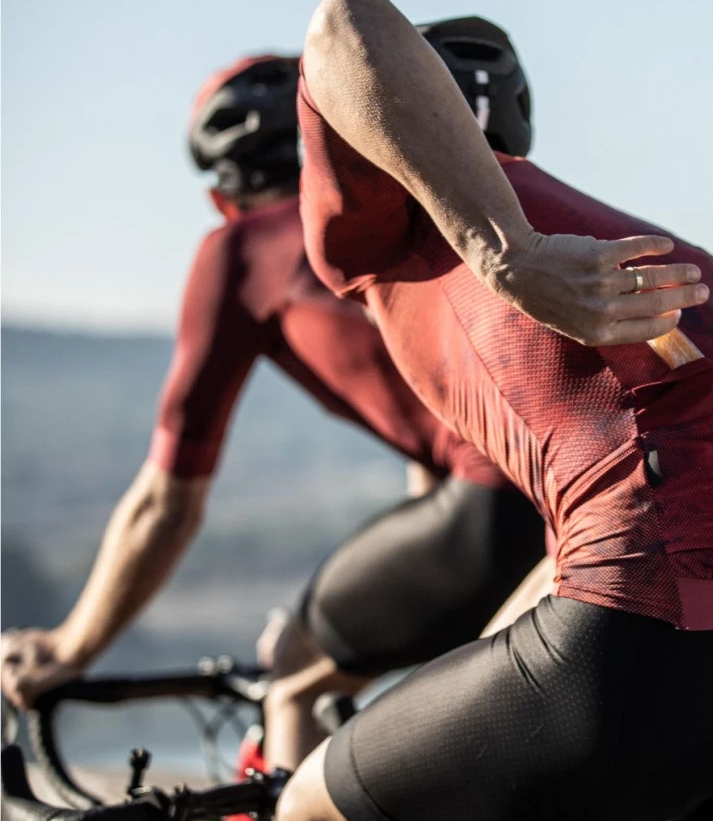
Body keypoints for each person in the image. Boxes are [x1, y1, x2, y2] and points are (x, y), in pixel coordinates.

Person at [276, 0, 713, 821]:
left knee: (311, 809)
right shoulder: (672, 254)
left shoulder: (406, 225)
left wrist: (505, 253)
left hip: (654, 634)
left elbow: (345, 20)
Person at [0, 55, 547, 775]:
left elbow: (167, 500)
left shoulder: (242, 250)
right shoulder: (401, 210)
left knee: (294, 665)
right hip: (574, 491)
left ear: (223, 198)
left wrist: (71, 647)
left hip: (497, 504)